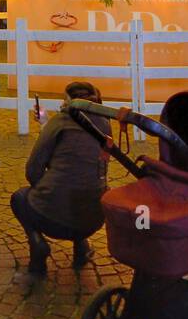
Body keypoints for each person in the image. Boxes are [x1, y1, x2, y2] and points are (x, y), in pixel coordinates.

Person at [10, 81, 113, 274]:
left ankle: (37, 242)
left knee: (19, 198)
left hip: (53, 219)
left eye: (63, 100)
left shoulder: (60, 121)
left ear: (70, 101)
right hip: (93, 219)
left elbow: (33, 171)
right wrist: (46, 124)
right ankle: (81, 246)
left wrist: (49, 184)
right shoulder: (105, 125)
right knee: (81, 185)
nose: (61, 104)